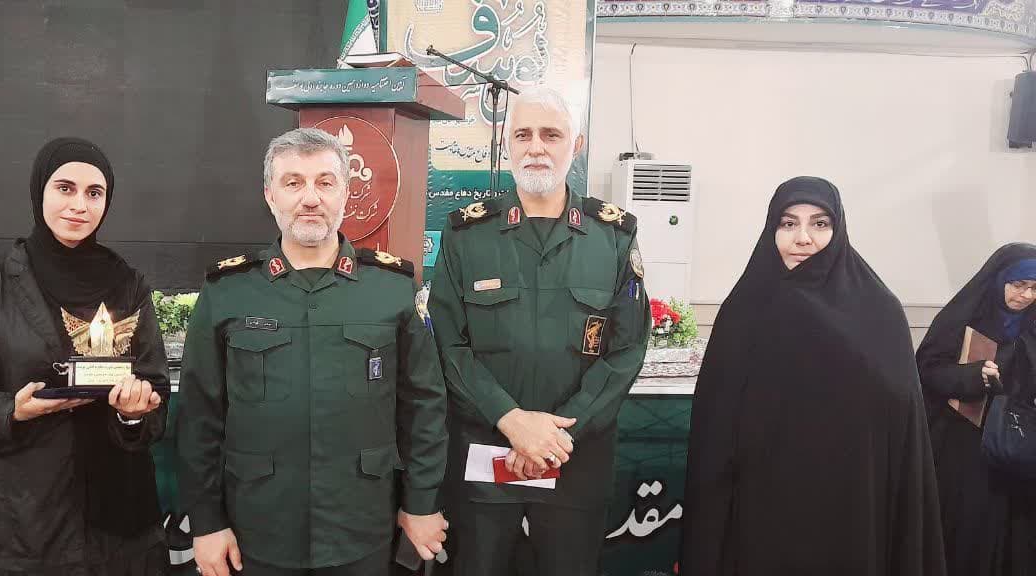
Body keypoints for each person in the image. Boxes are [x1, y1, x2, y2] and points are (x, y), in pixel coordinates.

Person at [178, 128, 449, 576]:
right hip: (257, 529)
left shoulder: (392, 289)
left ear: (345, 193)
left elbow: (424, 406)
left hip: (362, 526)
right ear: (270, 196)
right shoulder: (227, 292)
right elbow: (198, 416)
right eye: (293, 183)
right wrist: (206, 523)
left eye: (325, 182)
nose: (310, 198)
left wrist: (421, 503)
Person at [427, 86, 649, 576]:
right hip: (486, 457)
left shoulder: (612, 236)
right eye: (523, 134)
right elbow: (447, 344)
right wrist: (512, 420)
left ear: (577, 144)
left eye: (551, 135)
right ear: (507, 143)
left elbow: (627, 348)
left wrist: (555, 438)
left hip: (575, 460)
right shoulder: (467, 234)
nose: (536, 147)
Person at [679, 176, 946, 576]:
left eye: (820, 224)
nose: (802, 238)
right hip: (761, 507)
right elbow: (713, 430)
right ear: (771, 230)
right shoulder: (744, 311)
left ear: (838, 230)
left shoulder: (878, 310)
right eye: (788, 223)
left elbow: (902, 424)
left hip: (851, 509)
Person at [0, 137, 170, 575]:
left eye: (94, 193)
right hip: (18, 527)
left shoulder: (128, 284)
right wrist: (13, 410)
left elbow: (155, 388)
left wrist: (133, 415)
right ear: (39, 191)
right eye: (65, 188)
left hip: (118, 526)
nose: (79, 205)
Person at [917, 242, 1036, 575]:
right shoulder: (964, 318)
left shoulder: (1032, 326)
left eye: (1035, 288)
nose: (1026, 296)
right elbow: (927, 369)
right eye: (1019, 284)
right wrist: (972, 375)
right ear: (999, 280)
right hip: (965, 448)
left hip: (1018, 451)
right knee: (967, 531)